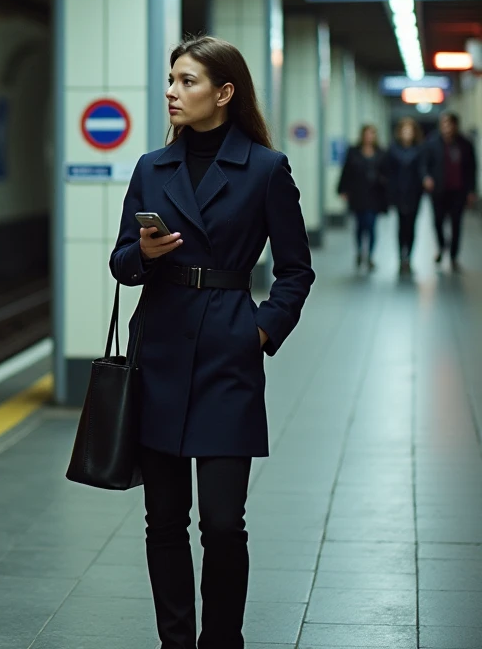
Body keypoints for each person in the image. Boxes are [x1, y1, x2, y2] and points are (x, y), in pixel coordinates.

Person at [109, 35, 315, 649]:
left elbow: (295, 269)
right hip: (162, 347)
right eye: (172, 80)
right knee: (163, 520)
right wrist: (141, 253)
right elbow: (121, 264)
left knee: (224, 524)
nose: (172, 92)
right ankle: (176, 642)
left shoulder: (265, 169)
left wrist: (262, 327)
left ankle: (223, 640)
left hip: (229, 348)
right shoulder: (152, 167)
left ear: (224, 93)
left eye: (188, 81)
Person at [421, 112, 477, 272]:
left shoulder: (465, 144)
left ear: (455, 126)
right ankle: (441, 246)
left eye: (449, 124)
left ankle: (453, 256)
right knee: (438, 221)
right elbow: (425, 163)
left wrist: (471, 190)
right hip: (438, 190)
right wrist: (426, 177)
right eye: (443, 124)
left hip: (458, 190)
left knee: (456, 223)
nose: (446, 128)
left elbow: (471, 168)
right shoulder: (432, 143)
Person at [336, 124, 389, 271]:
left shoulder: (381, 153)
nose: (369, 137)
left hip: (374, 194)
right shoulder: (354, 152)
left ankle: (370, 255)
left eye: (372, 134)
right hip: (358, 193)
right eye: (367, 134)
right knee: (360, 225)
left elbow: (387, 173)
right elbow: (346, 171)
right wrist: (342, 189)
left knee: (371, 225)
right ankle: (360, 251)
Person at [385, 117, 425, 273]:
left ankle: (409, 255)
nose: (407, 134)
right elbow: (388, 171)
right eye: (404, 131)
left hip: (414, 193)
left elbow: (423, 170)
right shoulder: (393, 150)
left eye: (410, 131)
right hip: (399, 193)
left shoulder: (420, 149)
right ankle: (402, 255)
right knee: (401, 224)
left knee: (411, 225)